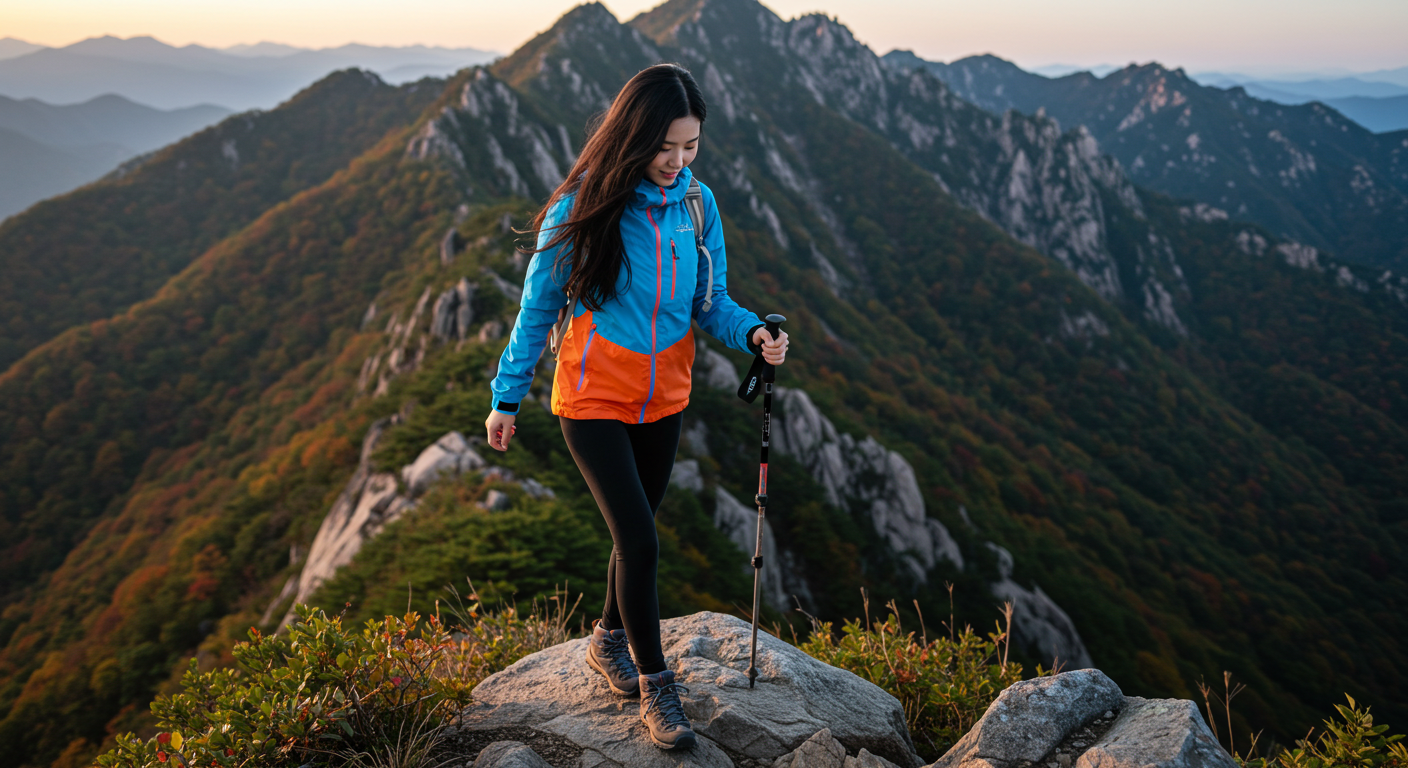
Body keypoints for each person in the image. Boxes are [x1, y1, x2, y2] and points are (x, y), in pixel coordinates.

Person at [483, 63, 789, 750]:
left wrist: (755, 334)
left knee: (635, 534)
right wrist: (507, 398)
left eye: (690, 146)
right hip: (591, 400)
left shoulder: (697, 206)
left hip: (664, 398)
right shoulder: (583, 207)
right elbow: (537, 309)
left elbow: (711, 301)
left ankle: (607, 639)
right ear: (634, 136)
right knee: (642, 540)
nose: (677, 161)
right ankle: (657, 687)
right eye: (665, 147)